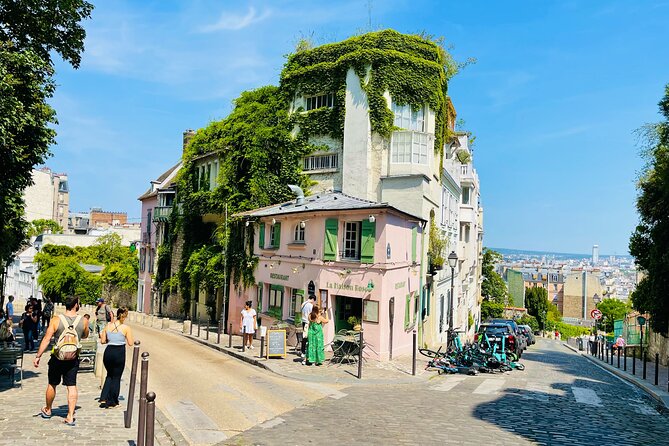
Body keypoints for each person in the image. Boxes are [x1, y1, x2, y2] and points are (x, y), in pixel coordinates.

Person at [34, 295, 89, 426]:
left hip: (57, 357)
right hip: (73, 358)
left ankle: (48, 410)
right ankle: (70, 416)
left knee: (52, 384)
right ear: (76, 305)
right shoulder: (83, 321)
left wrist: (38, 356)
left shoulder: (56, 320)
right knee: (72, 386)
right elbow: (85, 335)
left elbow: (46, 339)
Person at [99, 307, 134, 408]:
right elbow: (131, 343)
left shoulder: (108, 326)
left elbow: (102, 341)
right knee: (116, 377)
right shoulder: (126, 328)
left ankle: (104, 397)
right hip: (119, 352)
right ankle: (112, 401)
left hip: (108, 352)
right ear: (125, 316)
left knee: (109, 374)